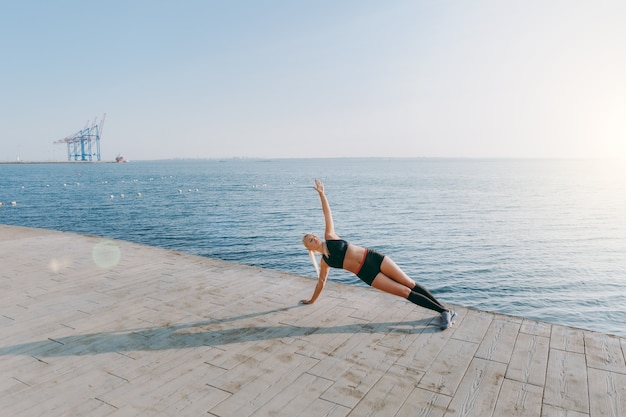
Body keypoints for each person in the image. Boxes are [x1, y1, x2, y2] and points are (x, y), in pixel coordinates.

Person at [301, 179, 457, 330]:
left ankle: (444, 311)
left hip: (373, 258)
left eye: (312, 235)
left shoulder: (329, 236)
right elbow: (321, 283)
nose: (314, 238)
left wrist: (322, 194)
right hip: (367, 274)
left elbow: (327, 213)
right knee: (404, 292)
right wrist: (311, 301)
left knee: (409, 283)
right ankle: (444, 312)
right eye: (310, 240)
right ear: (310, 248)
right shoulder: (325, 263)